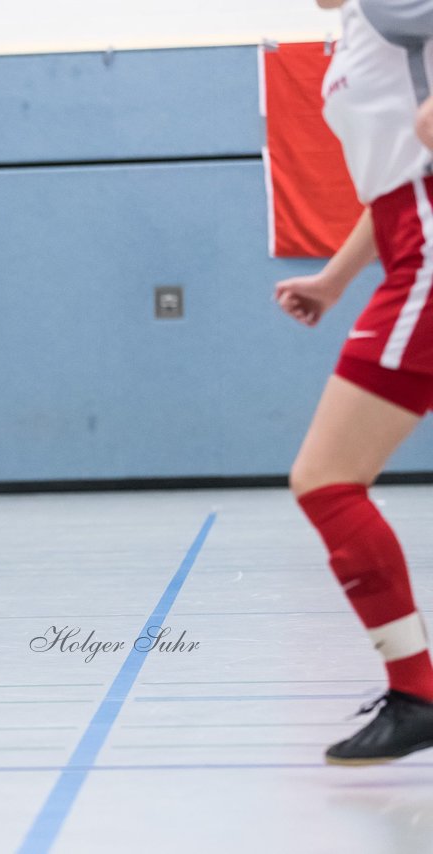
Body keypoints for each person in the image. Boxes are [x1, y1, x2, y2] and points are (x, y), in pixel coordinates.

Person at [275, 0, 433, 764]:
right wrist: (336, 279)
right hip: (407, 234)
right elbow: (393, 179)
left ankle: (418, 691)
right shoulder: (364, 28)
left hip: (429, 244)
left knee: (327, 479)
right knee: (327, 478)